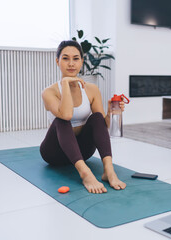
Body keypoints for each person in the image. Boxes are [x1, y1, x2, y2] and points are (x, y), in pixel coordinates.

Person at [40, 40, 126, 194]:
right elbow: (66, 115)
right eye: (65, 58)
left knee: (97, 117)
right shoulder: (49, 92)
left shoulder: (92, 89)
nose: (71, 64)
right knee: (62, 120)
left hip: (82, 152)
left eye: (76, 58)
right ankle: (85, 174)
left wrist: (111, 113)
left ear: (82, 61)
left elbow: (101, 126)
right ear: (57, 61)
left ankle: (109, 170)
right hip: (54, 153)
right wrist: (66, 83)